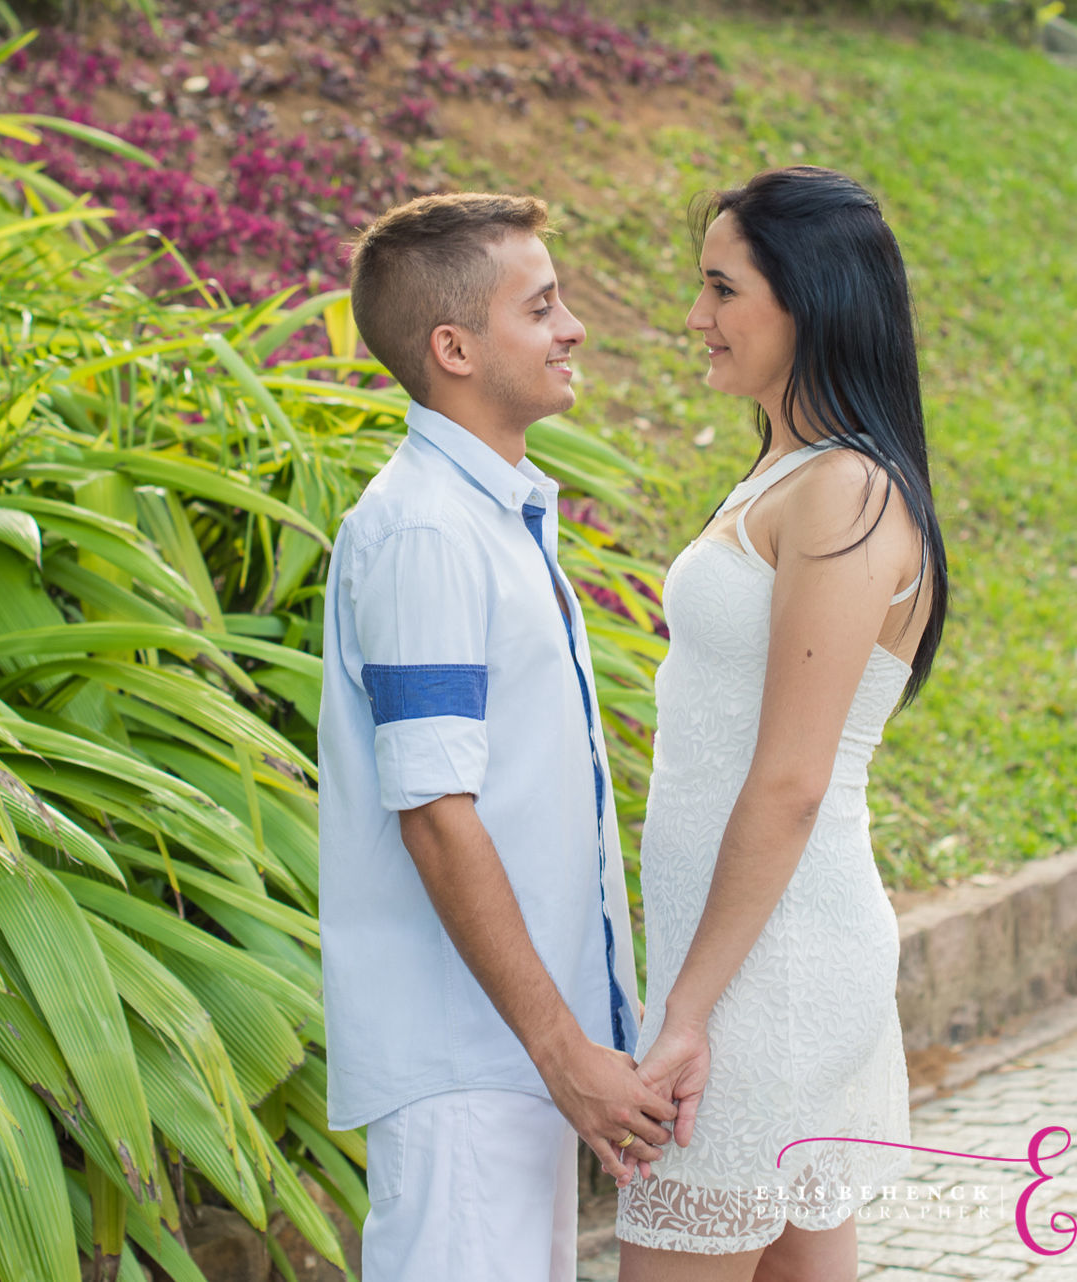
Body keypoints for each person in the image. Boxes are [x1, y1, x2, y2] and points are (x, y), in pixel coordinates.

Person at [320, 191, 679, 1282]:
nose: (572, 326)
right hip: (468, 1069)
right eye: (544, 305)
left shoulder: (487, 516)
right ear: (454, 347)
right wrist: (564, 1051)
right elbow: (435, 814)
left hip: (508, 1063)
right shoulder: (426, 529)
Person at [615, 166, 950, 1279]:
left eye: (722, 289)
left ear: (807, 300)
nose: (695, 317)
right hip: (756, 956)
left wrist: (688, 1012)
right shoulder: (789, 474)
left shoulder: (844, 491)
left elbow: (791, 778)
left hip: (770, 970)